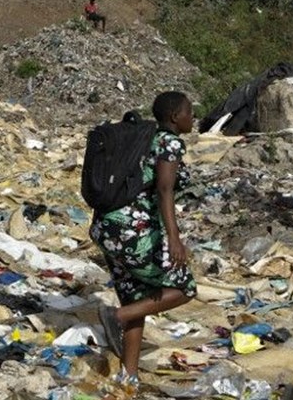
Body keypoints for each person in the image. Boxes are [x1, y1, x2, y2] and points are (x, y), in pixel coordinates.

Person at [93, 91, 196, 390]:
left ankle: (129, 378)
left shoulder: (144, 137)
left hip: (107, 226)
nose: (193, 117)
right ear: (176, 116)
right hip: (131, 231)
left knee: (139, 300)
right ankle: (115, 315)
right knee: (183, 287)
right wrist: (174, 239)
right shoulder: (170, 142)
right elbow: (165, 189)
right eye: (190, 111)